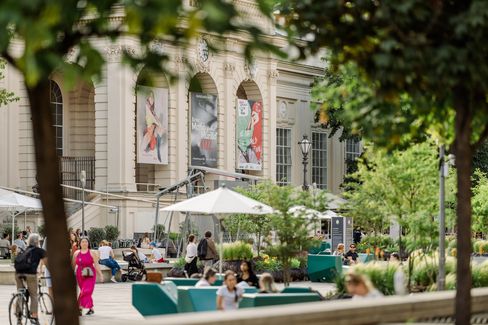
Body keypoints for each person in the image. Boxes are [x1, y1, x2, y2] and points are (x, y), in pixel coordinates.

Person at [14, 233, 47, 325]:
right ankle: (34, 316)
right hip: (31, 274)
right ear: (37, 241)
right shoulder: (40, 251)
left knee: (20, 292)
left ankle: (19, 318)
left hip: (18, 273)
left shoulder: (24, 249)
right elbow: (47, 264)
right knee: (33, 295)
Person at [73, 237, 103, 315]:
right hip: (80, 274)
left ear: (88, 243)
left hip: (90, 274)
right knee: (84, 291)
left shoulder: (92, 252)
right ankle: (91, 308)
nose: (84, 243)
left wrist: (100, 275)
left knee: (86, 290)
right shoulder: (76, 253)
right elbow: (73, 265)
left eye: (86, 242)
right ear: (80, 243)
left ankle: (79, 308)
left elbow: (96, 265)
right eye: (82, 242)